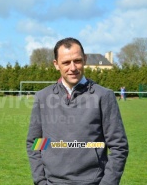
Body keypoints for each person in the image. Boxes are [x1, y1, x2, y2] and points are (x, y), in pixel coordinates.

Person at [26, 37, 128, 185]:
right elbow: (36, 143)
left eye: (77, 61)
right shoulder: (43, 97)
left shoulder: (103, 96)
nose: (73, 68)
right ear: (56, 64)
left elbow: (118, 146)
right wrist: (40, 180)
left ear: (85, 59)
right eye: (66, 62)